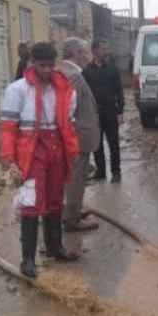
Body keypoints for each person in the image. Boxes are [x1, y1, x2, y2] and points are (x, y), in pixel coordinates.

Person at [0, 42, 81, 278]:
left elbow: (69, 125)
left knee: (56, 200)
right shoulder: (17, 90)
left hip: (57, 149)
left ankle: (55, 248)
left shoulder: (65, 89)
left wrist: (72, 153)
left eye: (50, 65)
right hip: (32, 152)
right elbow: (8, 128)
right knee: (31, 202)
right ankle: (28, 259)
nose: (46, 70)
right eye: (42, 65)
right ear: (32, 63)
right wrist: (8, 157)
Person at [60, 37, 101, 233]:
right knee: (75, 178)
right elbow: (67, 111)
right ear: (75, 53)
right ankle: (72, 218)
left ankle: (71, 210)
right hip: (78, 138)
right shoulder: (72, 76)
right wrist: (74, 136)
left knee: (73, 177)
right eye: (85, 52)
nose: (88, 56)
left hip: (76, 137)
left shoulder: (69, 72)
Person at [83, 39, 124, 183]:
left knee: (113, 142)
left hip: (111, 111)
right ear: (94, 51)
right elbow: (84, 94)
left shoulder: (112, 68)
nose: (105, 51)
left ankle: (116, 172)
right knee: (97, 143)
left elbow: (119, 90)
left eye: (106, 48)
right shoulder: (87, 71)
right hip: (94, 113)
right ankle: (101, 171)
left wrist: (120, 111)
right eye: (102, 48)